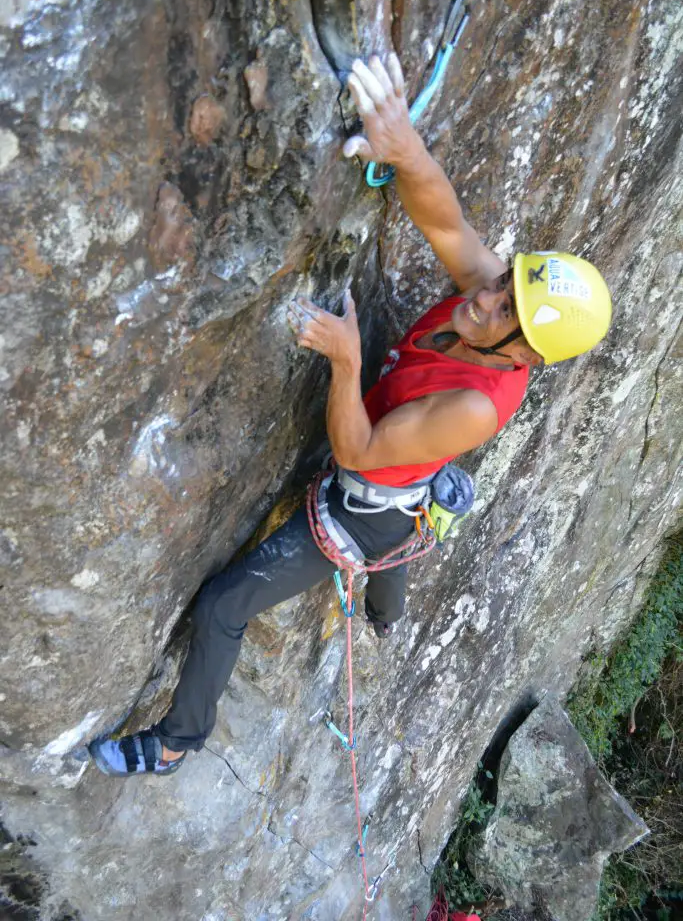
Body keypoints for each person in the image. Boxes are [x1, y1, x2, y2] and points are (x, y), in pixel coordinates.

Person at [90, 55, 611, 776]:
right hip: (408, 462)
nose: (484, 297)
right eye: (501, 283)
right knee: (397, 547)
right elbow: (445, 218)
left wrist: (344, 359)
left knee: (223, 605)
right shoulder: (490, 299)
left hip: (367, 502)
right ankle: (386, 609)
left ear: (525, 351)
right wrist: (405, 149)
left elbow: (359, 452)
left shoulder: (471, 408)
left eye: (505, 311)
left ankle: (178, 742)